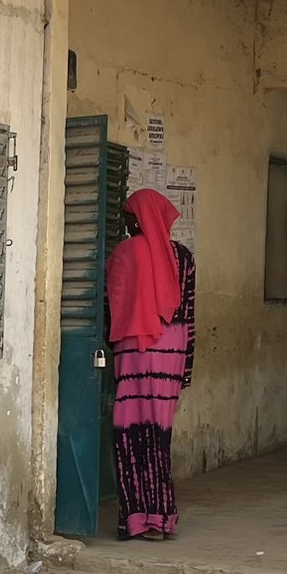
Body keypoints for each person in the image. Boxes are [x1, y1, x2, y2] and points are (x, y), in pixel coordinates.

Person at [104, 188, 196, 542]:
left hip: (137, 350)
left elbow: (110, 306)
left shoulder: (126, 253)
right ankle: (163, 516)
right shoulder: (185, 258)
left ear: (141, 217)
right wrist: (185, 369)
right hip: (172, 352)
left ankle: (138, 519)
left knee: (130, 436)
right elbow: (189, 315)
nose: (126, 222)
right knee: (160, 436)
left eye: (129, 215)